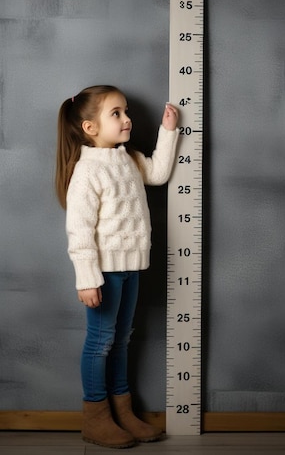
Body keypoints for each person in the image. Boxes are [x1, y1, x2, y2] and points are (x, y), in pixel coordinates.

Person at [55, 85, 179, 449]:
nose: (127, 120)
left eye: (127, 112)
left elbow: (157, 174)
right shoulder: (86, 172)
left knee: (122, 339)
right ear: (90, 127)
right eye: (117, 114)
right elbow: (79, 232)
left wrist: (168, 132)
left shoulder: (129, 159)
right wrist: (87, 280)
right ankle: (96, 416)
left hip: (132, 268)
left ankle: (123, 411)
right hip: (104, 274)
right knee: (100, 342)